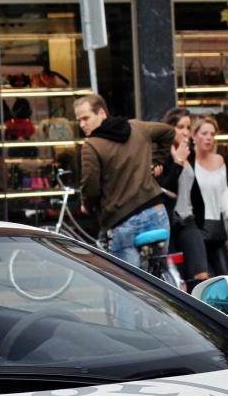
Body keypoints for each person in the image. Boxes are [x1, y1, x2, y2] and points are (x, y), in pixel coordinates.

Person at [74, 94, 174, 269]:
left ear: (102, 113)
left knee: (128, 284)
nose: (82, 124)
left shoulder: (92, 146)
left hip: (124, 221)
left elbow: (91, 186)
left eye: (86, 118)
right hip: (157, 212)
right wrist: (156, 161)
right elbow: (168, 132)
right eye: (79, 120)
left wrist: (86, 205)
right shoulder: (137, 127)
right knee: (161, 275)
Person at [154, 107, 210, 288]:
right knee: (174, 281)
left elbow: (193, 188)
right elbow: (167, 189)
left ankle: (198, 314)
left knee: (201, 274)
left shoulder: (189, 152)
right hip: (166, 222)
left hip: (188, 221)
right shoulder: (160, 153)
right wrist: (177, 163)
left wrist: (200, 219)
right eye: (181, 127)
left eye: (188, 127)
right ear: (170, 128)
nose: (185, 132)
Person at [192, 117, 228, 276]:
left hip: (214, 229)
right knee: (200, 279)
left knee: (224, 278)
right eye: (204, 133)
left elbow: (223, 192)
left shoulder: (219, 160)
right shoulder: (187, 161)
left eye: (212, 134)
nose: (208, 138)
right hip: (193, 229)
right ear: (194, 135)